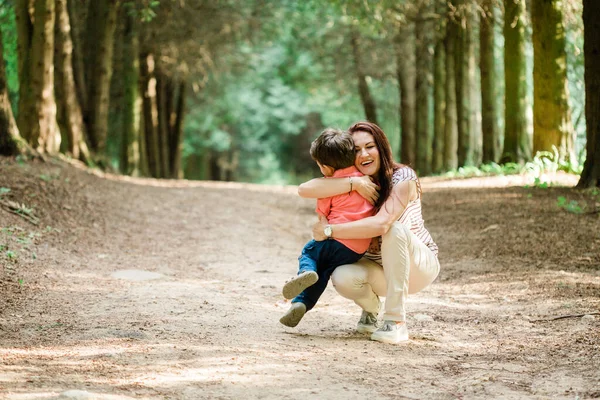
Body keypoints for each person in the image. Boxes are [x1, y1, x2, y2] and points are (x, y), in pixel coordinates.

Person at [298, 121, 440, 344]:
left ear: (381, 147)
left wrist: (329, 230)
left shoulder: (403, 178)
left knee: (393, 229)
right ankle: (372, 309)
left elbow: (381, 224)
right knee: (341, 276)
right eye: (355, 150)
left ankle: (396, 322)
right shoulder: (351, 184)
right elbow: (305, 188)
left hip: (418, 267)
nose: (364, 153)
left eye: (370, 146)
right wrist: (353, 183)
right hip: (380, 272)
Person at [280, 128, 375, 328]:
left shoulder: (330, 185)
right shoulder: (366, 180)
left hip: (336, 238)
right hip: (356, 249)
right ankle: (300, 304)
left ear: (326, 167)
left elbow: (322, 216)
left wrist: (324, 224)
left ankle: (305, 272)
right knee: (323, 272)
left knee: (310, 254)